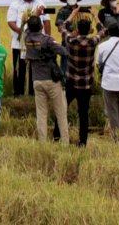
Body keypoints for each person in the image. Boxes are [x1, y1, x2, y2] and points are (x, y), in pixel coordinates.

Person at [54, 13, 105, 146]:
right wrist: (95, 15)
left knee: (62, 109)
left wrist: (73, 13)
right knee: (83, 113)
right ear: (89, 30)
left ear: (77, 29)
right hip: (86, 85)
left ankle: (57, 135)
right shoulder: (93, 42)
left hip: (71, 82)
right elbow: (103, 30)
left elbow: (62, 27)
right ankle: (82, 141)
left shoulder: (71, 40)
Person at [25, 16, 69, 145]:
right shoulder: (48, 40)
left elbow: (26, 29)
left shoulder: (27, 38)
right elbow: (64, 52)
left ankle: (42, 142)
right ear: (41, 26)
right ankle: (65, 143)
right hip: (51, 80)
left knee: (41, 114)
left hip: (36, 80)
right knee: (60, 112)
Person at [6, 0, 49, 96]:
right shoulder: (15, 4)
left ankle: (33, 92)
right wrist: (22, 32)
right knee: (20, 67)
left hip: (37, 42)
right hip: (19, 43)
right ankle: (18, 92)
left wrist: (47, 39)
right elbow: (11, 22)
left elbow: (46, 21)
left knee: (35, 66)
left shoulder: (41, 3)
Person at [97, 25, 119, 141]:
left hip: (108, 82)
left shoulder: (102, 46)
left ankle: (116, 137)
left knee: (112, 111)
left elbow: (98, 63)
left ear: (108, 32)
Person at [56, 0, 87, 74]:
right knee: (65, 67)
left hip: (82, 43)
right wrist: (70, 33)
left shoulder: (82, 10)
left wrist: (89, 30)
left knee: (80, 68)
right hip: (67, 44)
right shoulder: (62, 11)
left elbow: (88, 27)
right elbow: (59, 28)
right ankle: (64, 85)